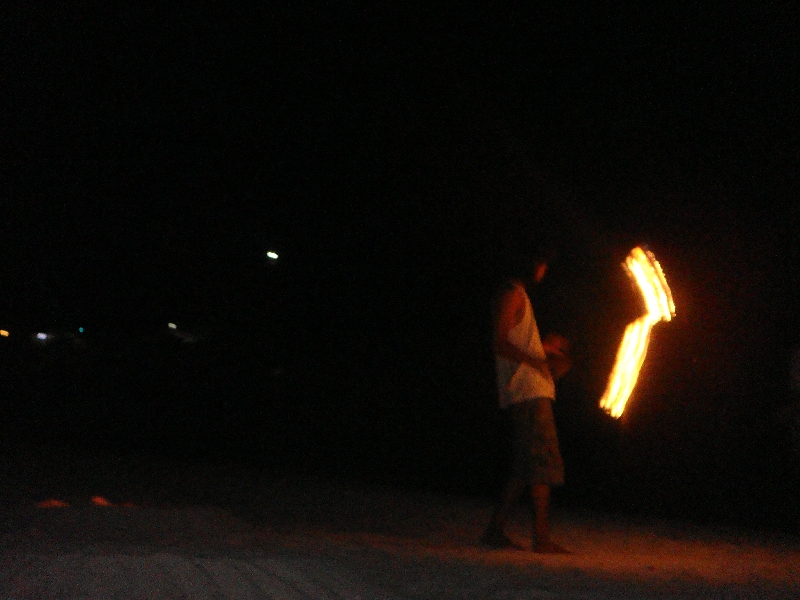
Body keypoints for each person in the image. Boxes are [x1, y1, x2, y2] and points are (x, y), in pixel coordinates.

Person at [481, 249, 570, 553]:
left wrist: (542, 348)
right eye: (542, 262)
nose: (544, 269)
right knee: (542, 462)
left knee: (523, 466)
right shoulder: (512, 293)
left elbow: (513, 340)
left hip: (526, 390)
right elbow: (499, 342)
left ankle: (494, 531)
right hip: (528, 392)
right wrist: (536, 360)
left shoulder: (512, 293)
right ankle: (541, 539)